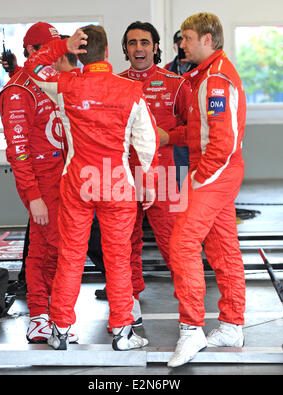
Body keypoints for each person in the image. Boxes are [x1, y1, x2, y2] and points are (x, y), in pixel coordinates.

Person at [23, 25, 159, 351]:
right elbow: (147, 142)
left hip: (78, 184)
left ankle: (59, 328)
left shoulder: (66, 85)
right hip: (117, 184)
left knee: (70, 256)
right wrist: (150, 184)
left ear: (79, 52)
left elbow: (32, 68)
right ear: (109, 51)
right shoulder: (130, 90)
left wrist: (58, 47)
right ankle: (123, 331)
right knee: (118, 258)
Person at [164, 12, 246, 367]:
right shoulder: (205, 77)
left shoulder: (215, 80)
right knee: (222, 247)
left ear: (207, 40)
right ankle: (231, 323)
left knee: (181, 243)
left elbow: (223, 142)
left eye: (186, 37)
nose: (181, 44)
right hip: (215, 172)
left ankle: (191, 329)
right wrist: (170, 137)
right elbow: (201, 133)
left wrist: (200, 179)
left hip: (214, 173)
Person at [0, 22, 77, 344]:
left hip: (66, 182)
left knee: (42, 252)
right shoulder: (19, 91)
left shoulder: (54, 81)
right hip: (43, 187)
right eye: (48, 48)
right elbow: (18, 152)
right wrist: (34, 197)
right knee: (58, 252)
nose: (55, 54)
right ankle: (52, 317)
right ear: (31, 51)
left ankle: (40, 317)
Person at [116, 21, 191, 327]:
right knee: (123, 243)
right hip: (123, 177)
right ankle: (129, 299)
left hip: (166, 179)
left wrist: (167, 137)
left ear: (156, 47)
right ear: (125, 49)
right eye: (132, 43)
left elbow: (196, 131)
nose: (138, 49)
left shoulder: (177, 84)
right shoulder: (114, 84)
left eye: (145, 43)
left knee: (176, 244)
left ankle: (190, 309)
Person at [164, 30, 198, 190]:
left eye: (185, 42)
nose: (182, 47)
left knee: (197, 175)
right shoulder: (167, 69)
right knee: (179, 175)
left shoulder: (201, 68)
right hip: (177, 130)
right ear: (175, 47)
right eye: (179, 44)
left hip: (197, 128)